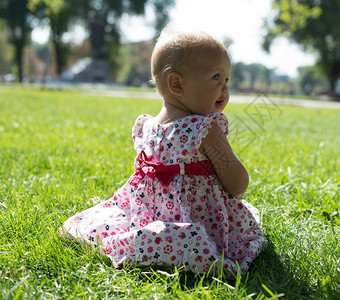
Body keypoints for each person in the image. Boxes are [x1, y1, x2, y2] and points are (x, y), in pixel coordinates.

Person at [60, 27, 267, 277]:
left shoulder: (147, 126)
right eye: (216, 78)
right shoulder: (204, 128)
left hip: (150, 211)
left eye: (226, 80)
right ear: (177, 84)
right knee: (212, 234)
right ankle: (186, 245)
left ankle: (147, 241)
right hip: (196, 215)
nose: (224, 89)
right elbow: (236, 183)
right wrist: (239, 187)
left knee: (115, 220)